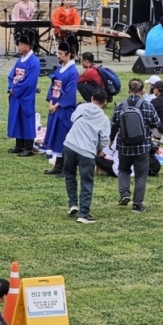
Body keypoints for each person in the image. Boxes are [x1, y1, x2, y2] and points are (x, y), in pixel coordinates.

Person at [110, 78, 159, 213]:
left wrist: (110, 139)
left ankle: (124, 194)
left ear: (128, 90)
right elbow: (156, 125)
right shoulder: (148, 106)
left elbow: (114, 125)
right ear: (143, 91)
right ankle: (137, 204)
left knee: (123, 170)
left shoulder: (120, 106)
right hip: (142, 146)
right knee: (140, 175)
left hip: (124, 145)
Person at [62, 89, 110, 225]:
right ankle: (83, 213)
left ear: (92, 97)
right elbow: (105, 140)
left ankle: (73, 204)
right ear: (105, 102)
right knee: (86, 182)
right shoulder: (104, 119)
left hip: (69, 145)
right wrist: (101, 151)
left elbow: (72, 119)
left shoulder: (81, 107)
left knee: (70, 176)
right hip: (87, 152)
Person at [41, 41, 78, 176]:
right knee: (55, 134)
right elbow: (53, 87)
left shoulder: (73, 72)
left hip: (63, 109)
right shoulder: (59, 70)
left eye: (61, 54)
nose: (58, 56)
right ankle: (58, 165)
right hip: (55, 106)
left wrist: (57, 105)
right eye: (58, 53)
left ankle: (65, 168)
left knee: (63, 136)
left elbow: (70, 92)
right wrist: (51, 102)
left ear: (68, 55)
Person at [7, 31, 40, 157]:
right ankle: (19, 145)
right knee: (17, 118)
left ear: (28, 46)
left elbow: (29, 82)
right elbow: (12, 75)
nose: (19, 46)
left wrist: (15, 89)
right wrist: (11, 86)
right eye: (19, 44)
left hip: (26, 96)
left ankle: (28, 147)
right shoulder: (20, 60)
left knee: (26, 119)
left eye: (21, 44)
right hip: (16, 94)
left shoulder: (34, 62)